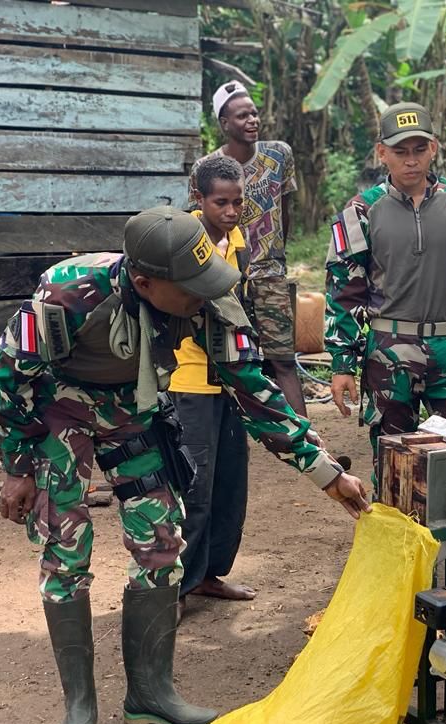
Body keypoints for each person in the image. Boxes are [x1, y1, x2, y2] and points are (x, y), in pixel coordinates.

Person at [0, 207, 368, 724]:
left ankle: (151, 694)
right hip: (56, 414)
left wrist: (325, 472)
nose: (202, 296)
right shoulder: (68, 297)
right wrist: (17, 468)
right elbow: (6, 380)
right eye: (190, 288)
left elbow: (255, 393)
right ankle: (81, 708)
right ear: (144, 283)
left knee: (162, 543)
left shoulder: (206, 297)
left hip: (134, 411)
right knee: (65, 554)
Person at [325, 102, 446, 491]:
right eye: (400, 151)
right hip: (388, 353)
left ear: (434, 149)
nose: (411, 161)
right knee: (393, 461)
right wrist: (342, 364)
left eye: (419, 150)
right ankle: (398, 545)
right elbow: (343, 293)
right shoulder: (360, 211)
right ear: (382, 153)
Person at [190, 80, 308, 417]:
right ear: (224, 124)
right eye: (242, 116)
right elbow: (198, 224)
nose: (252, 120)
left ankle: (309, 442)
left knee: (282, 361)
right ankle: (231, 433)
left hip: (269, 274)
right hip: (223, 277)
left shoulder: (278, 155)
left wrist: (276, 253)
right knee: (229, 358)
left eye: (254, 114)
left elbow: (285, 211)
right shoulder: (206, 169)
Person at [171, 155, 255, 612]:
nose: (229, 211)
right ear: (197, 197)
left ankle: (209, 575)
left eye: (237, 202)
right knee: (194, 488)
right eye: (220, 202)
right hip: (189, 381)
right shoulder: (182, 241)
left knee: (229, 484)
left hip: (230, 379)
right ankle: (178, 587)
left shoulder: (238, 241)